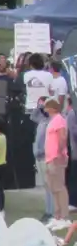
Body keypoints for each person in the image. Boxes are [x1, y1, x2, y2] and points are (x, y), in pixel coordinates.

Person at [45, 98, 70, 229]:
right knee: (53, 187)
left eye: (47, 107)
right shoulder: (52, 121)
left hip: (56, 158)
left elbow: (62, 137)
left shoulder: (59, 119)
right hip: (50, 158)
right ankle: (57, 215)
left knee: (59, 186)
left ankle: (65, 216)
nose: (45, 109)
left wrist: (60, 153)